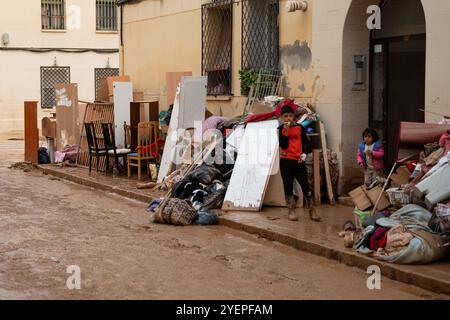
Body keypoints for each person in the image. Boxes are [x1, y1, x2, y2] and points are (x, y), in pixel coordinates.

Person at [278, 103, 321, 222]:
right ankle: (291, 210)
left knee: (305, 185)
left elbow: (306, 143)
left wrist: (304, 153)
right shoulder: (281, 129)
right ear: (282, 117)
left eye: (290, 116)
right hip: (286, 161)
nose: (288, 119)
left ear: (294, 117)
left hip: (299, 160)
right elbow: (283, 145)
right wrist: (286, 132)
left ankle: (312, 210)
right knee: (288, 186)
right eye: (285, 116)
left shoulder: (300, 127)